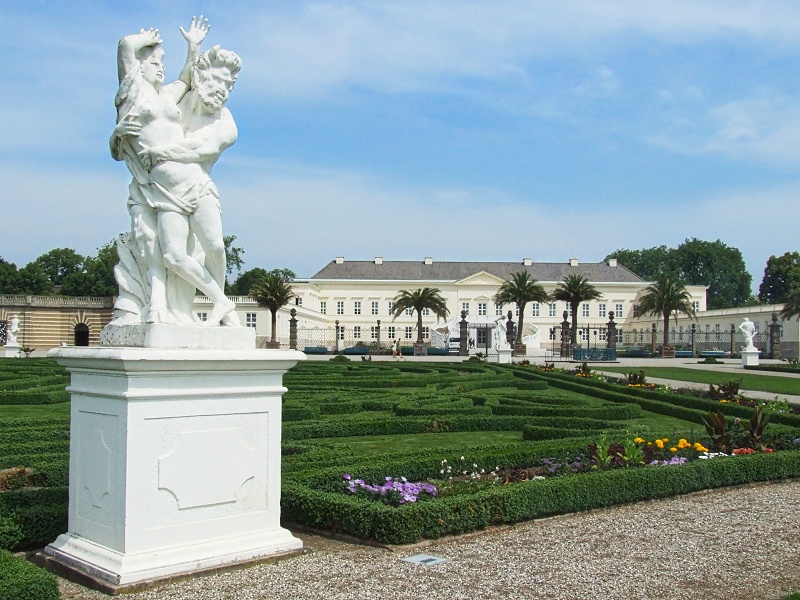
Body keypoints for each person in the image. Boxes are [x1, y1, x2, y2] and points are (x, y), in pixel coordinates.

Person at [110, 18, 240, 327]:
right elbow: (125, 47)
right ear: (139, 68)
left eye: (161, 63)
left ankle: (222, 305)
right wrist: (145, 40)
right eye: (154, 63)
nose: (160, 68)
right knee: (171, 255)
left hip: (193, 183)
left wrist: (192, 47)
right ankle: (220, 301)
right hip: (162, 192)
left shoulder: (168, 96)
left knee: (213, 247)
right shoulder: (134, 93)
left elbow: (185, 78)